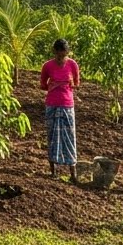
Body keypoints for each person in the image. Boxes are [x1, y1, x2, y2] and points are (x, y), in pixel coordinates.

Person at [39, 38, 81, 180]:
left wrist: (68, 84)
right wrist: (52, 85)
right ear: (54, 52)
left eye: (63, 54)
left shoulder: (72, 65)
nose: (61, 57)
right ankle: (53, 171)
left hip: (67, 104)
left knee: (70, 137)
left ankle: (73, 173)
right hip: (52, 104)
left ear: (67, 52)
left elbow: (76, 83)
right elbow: (42, 84)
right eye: (58, 55)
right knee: (52, 137)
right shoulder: (48, 66)